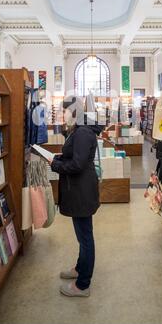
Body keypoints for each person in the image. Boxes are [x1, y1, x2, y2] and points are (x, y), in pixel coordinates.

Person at [49, 96, 103, 297]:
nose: (61, 115)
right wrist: (59, 158)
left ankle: (83, 285)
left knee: (85, 237)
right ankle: (80, 269)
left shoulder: (82, 132)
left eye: (63, 111)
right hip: (79, 189)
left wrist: (56, 165)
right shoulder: (77, 130)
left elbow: (78, 164)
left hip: (81, 191)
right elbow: (74, 156)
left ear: (73, 111)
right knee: (82, 236)